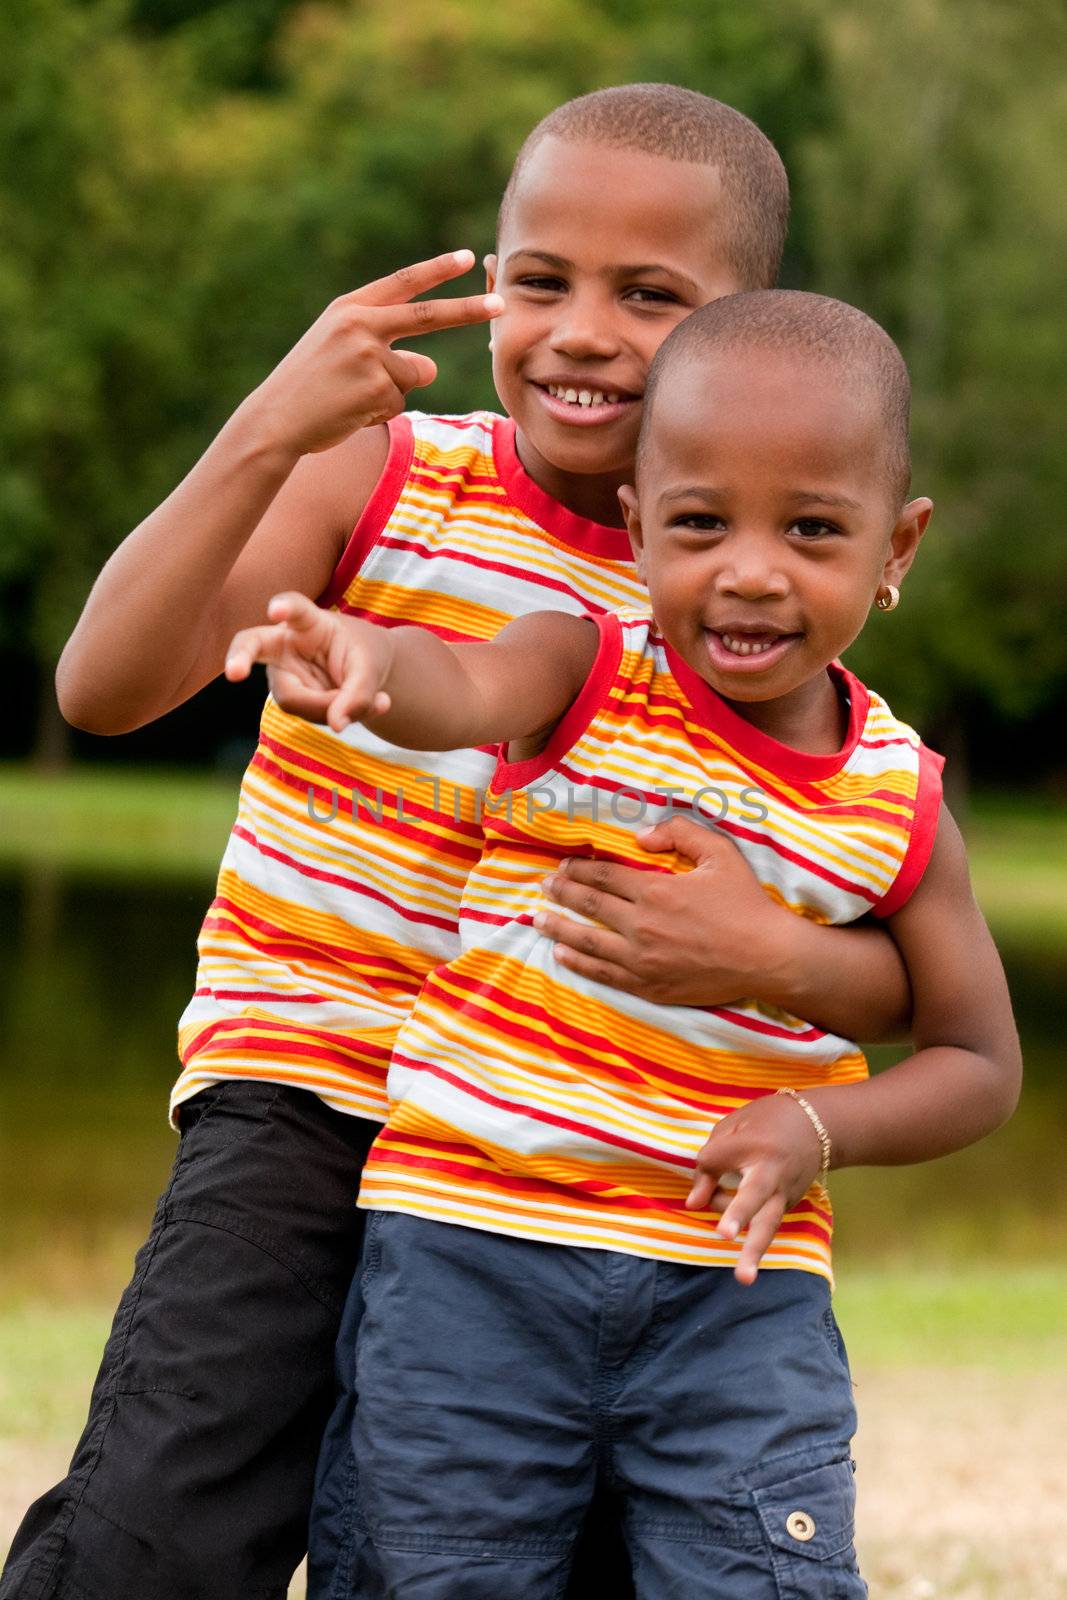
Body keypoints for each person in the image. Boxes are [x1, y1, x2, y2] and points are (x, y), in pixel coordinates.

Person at [2, 90, 911, 1600]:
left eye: (651, 296)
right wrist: (267, 430)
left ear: (746, 329)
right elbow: (99, 691)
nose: (581, 333)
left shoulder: (738, 582)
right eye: (539, 279)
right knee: (159, 1528)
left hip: (555, 1169)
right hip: (307, 1089)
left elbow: (888, 956)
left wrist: (769, 954)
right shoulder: (387, 473)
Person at [227, 290, 1022, 1599]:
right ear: (642, 524)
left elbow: (977, 1060)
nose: (752, 571)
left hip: (736, 1298)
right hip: (466, 1253)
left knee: (758, 1576)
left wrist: (814, 1131)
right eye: (702, 524)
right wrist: (364, 651)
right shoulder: (584, 667)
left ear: (899, 546)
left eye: (814, 531)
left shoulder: (899, 800)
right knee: (440, 1570)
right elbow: (456, 685)